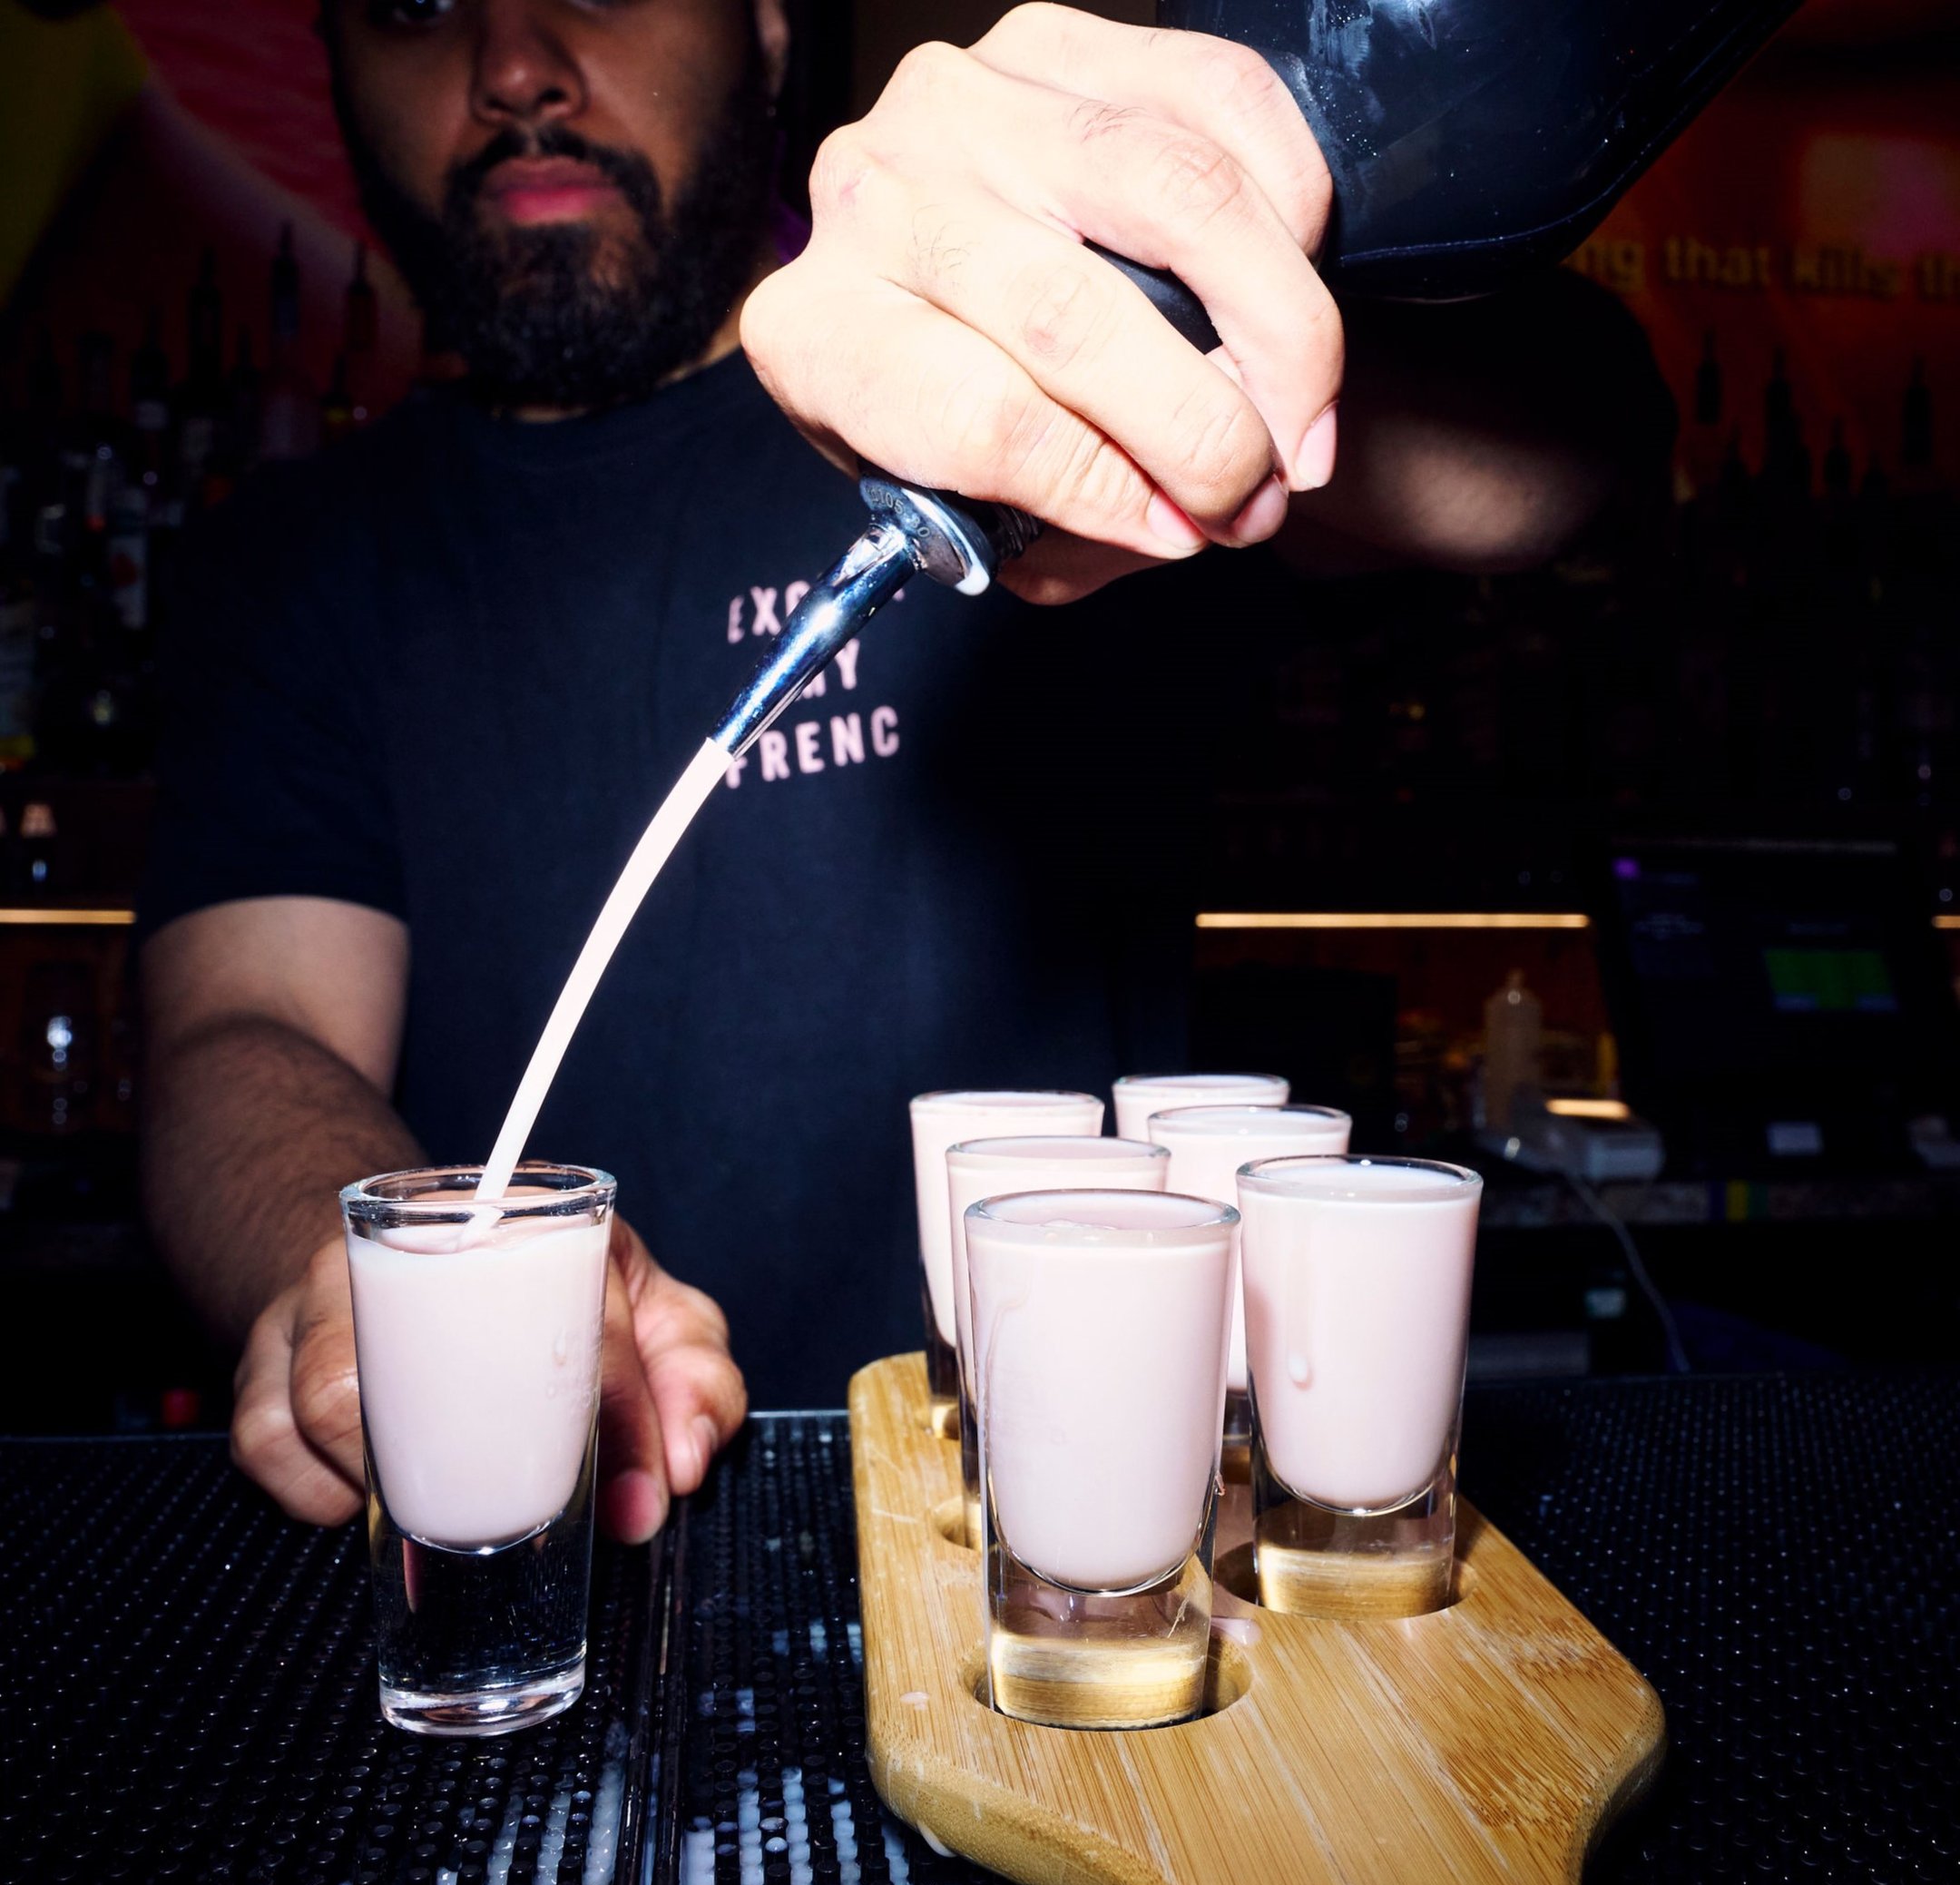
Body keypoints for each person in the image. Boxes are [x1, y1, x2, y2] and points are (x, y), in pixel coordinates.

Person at [137, 0, 1668, 1542]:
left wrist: (1192, 326)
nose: (513, 66)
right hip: (578, 1573)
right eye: (416, 5)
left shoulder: (983, 416)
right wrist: (352, 1270)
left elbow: (1570, 463)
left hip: (1064, 1550)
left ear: (766, 27)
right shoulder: (296, 566)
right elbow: (242, 1024)